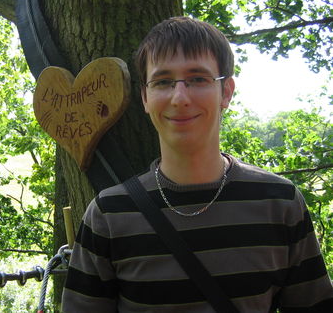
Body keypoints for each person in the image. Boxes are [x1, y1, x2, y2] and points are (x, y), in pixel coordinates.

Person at [61, 16, 333, 312]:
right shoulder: (107, 215)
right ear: (145, 97)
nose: (180, 97)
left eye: (198, 79)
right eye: (163, 81)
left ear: (226, 92)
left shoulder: (280, 203)